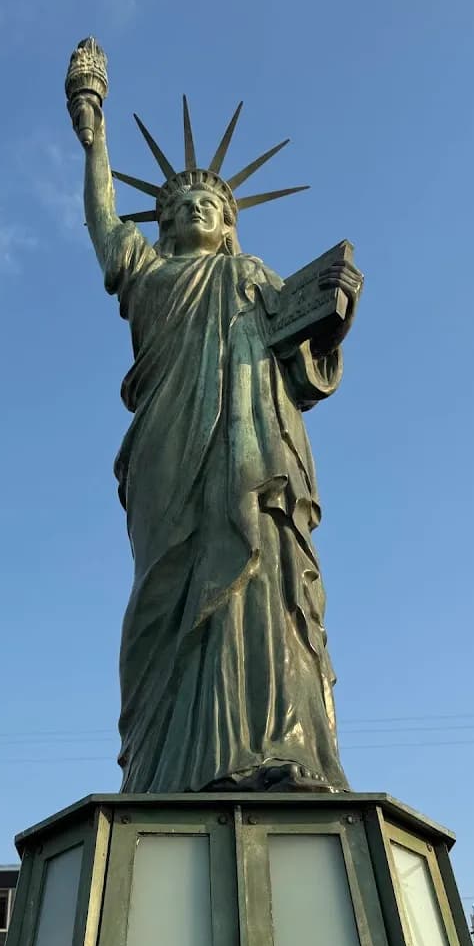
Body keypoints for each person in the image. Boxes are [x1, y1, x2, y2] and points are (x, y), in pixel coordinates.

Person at [69, 89, 363, 793]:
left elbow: (302, 368)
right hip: (169, 446)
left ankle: (276, 747)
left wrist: (333, 317)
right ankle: (164, 765)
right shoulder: (147, 273)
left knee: (261, 575)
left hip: (255, 443)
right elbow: (104, 222)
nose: (197, 208)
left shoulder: (256, 278)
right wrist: (93, 132)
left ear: (229, 222)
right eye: (180, 206)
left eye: (212, 205)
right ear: (165, 224)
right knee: (165, 593)